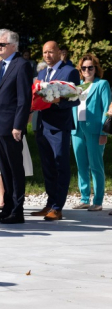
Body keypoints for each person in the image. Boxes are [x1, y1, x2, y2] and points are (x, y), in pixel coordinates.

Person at [0, 29, 33, 224]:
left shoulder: (21, 65)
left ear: (13, 46)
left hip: (11, 126)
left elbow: (24, 99)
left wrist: (18, 126)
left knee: (15, 169)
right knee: (4, 169)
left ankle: (17, 210)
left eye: (2, 44)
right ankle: (7, 208)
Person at [32, 41, 80, 221]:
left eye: (50, 52)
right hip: (42, 125)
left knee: (60, 166)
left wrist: (59, 101)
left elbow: (75, 99)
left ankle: (58, 207)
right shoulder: (42, 73)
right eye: (44, 52)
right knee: (48, 168)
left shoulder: (70, 72)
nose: (47, 56)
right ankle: (50, 203)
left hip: (59, 126)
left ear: (60, 52)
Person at [71, 54, 110, 211]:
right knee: (81, 165)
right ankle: (84, 198)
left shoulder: (102, 84)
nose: (87, 70)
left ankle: (98, 201)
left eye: (90, 67)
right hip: (77, 129)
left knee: (96, 166)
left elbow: (107, 110)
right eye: (84, 68)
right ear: (80, 70)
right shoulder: (77, 86)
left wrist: (104, 133)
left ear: (96, 68)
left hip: (95, 130)